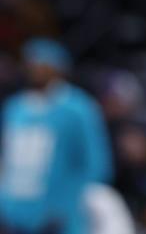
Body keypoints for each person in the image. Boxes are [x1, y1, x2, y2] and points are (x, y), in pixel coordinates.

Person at [0, 38, 113, 234]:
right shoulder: (14, 108)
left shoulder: (78, 108)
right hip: (13, 213)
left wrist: (66, 205)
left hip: (60, 216)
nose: (35, 67)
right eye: (31, 62)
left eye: (42, 62)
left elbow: (96, 163)